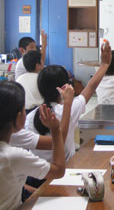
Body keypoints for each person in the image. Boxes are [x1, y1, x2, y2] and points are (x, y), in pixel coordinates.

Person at [25, 41, 111, 163]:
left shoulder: (30, 117)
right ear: (65, 87)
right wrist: (104, 65)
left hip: (38, 174)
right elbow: (91, 87)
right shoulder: (68, 109)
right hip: (66, 168)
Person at [0, 81, 65, 210]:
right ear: (19, 117)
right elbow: (58, 170)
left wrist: (36, 193)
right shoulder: (13, 156)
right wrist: (56, 130)